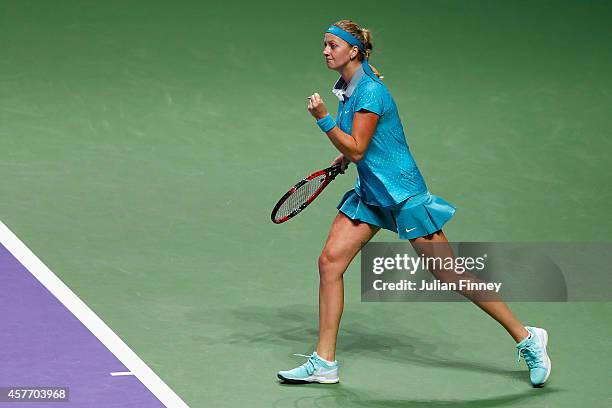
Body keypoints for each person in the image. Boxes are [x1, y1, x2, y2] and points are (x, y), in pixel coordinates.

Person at [277, 19, 551, 387]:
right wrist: (343, 158)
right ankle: (324, 362)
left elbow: (358, 146)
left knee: (450, 273)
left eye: (332, 45)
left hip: (403, 194)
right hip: (372, 194)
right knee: (330, 264)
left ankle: (527, 337)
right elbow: (362, 147)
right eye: (325, 45)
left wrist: (323, 120)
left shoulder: (371, 92)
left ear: (353, 50)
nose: (325, 51)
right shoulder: (348, 86)